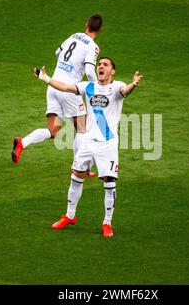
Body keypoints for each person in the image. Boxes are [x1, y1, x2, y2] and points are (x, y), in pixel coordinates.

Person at [33, 56, 143, 237]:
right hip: (88, 141)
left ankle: (107, 223)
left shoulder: (116, 87)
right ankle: (69, 216)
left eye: (105, 65)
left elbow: (125, 91)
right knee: (76, 176)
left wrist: (134, 84)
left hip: (107, 143)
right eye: (99, 64)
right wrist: (46, 79)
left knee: (109, 182)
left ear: (112, 71)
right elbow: (66, 87)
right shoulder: (88, 86)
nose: (100, 66)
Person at [12, 14, 103, 174]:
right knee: (82, 129)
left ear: (85, 25)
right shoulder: (93, 46)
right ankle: (81, 168)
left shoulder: (73, 36)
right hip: (68, 89)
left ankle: (22, 143)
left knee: (53, 130)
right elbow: (89, 70)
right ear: (100, 30)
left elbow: (57, 52)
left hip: (53, 84)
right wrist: (96, 88)